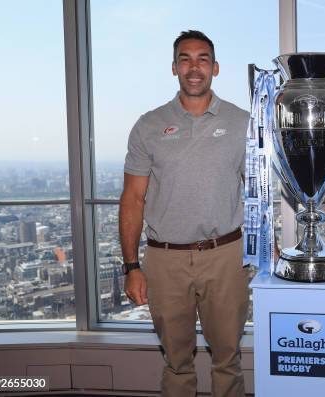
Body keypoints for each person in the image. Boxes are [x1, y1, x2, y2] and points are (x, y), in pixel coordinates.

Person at [119, 30, 250, 397]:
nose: (195, 67)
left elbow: (258, 194)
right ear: (174, 67)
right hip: (165, 261)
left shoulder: (242, 122)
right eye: (186, 59)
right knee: (177, 363)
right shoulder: (149, 125)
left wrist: (262, 248)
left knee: (227, 359)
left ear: (216, 68)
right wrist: (132, 267)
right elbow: (132, 198)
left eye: (203, 59)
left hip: (226, 256)